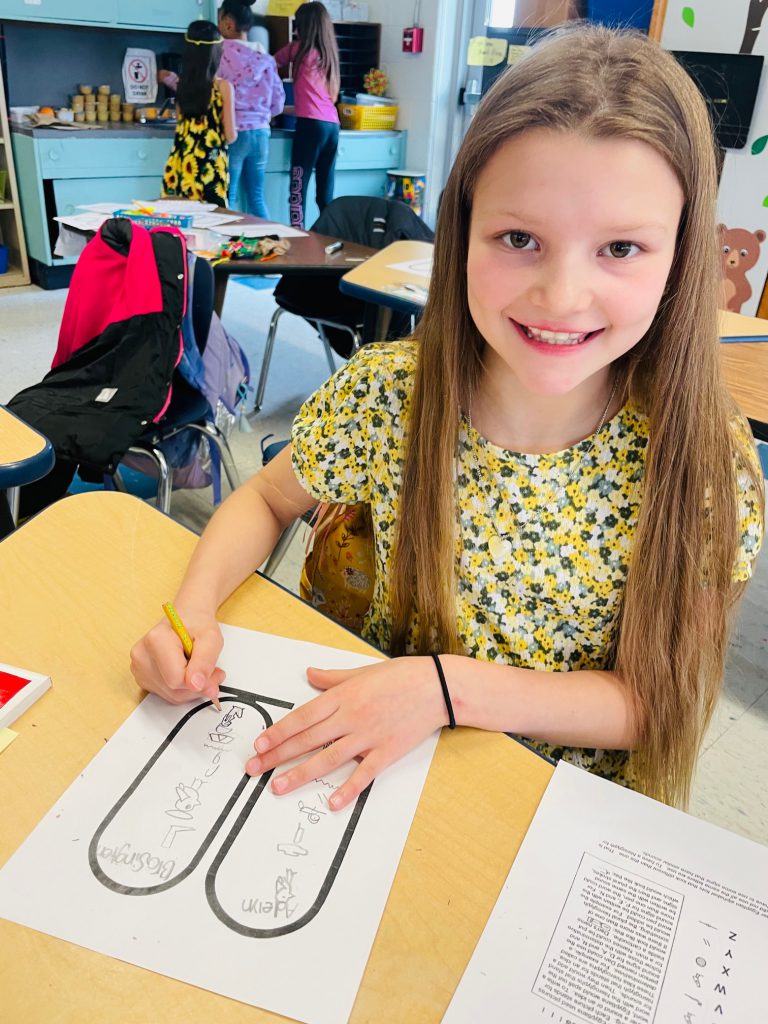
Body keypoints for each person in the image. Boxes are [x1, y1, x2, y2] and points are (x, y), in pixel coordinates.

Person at [132, 24, 764, 814]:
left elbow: (654, 702)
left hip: (551, 808)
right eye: (520, 238)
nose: (562, 296)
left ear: (680, 258)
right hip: (373, 786)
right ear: (462, 232)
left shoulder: (704, 459)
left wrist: (444, 689)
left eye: (622, 249)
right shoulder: (390, 395)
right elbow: (265, 499)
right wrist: (190, 611)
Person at [160, 2, 285, 217]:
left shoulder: (218, 51)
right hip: (261, 132)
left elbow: (202, 87)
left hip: (232, 134)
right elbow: (278, 104)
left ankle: (233, 247)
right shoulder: (266, 59)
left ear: (227, 23)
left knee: (230, 197)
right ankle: (267, 244)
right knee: (256, 197)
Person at [273, 2, 340, 229]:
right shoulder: (328, 55)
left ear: (303, 27)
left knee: (298, 188)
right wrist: (283, 108)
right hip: (332, 126)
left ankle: (297, 235)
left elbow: (267, 64)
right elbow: (316, 102)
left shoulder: (298, 49)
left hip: (310, 127)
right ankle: (330, 235)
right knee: (324, 192)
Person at [162, 20, 237, 208]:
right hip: (210, 165)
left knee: (181, 219)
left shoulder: (182, 86)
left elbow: (181, 124)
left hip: (182, 162)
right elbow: (230, 135)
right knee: (214, 222)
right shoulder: (223, 88)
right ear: (216, 53)